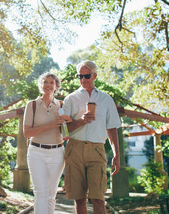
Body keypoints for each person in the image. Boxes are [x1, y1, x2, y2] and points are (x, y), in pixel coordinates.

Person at [63, 60, 121, 214]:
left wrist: (116, 154)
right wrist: (81, 121)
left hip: (97, 150)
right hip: (74, 149)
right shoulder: (70, 99)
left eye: (86, 75)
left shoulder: (106, 99)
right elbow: (64, 129)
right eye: (79, 76)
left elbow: (112, 128)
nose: (83, 79)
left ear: (94, 75)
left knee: (98, 198)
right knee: (79, 198)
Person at [23, 72, 70, 214]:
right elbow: (27, 133)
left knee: (51, 195)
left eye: (51, 82)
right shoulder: (32, 105)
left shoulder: (61, 105)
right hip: (37, 152)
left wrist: (69, 122)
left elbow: (67, 132)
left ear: (56, 86)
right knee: (41, 193)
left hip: (57, 152)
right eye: (45, 82)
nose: (48, 85)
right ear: (41, 85)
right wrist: (49, 125)